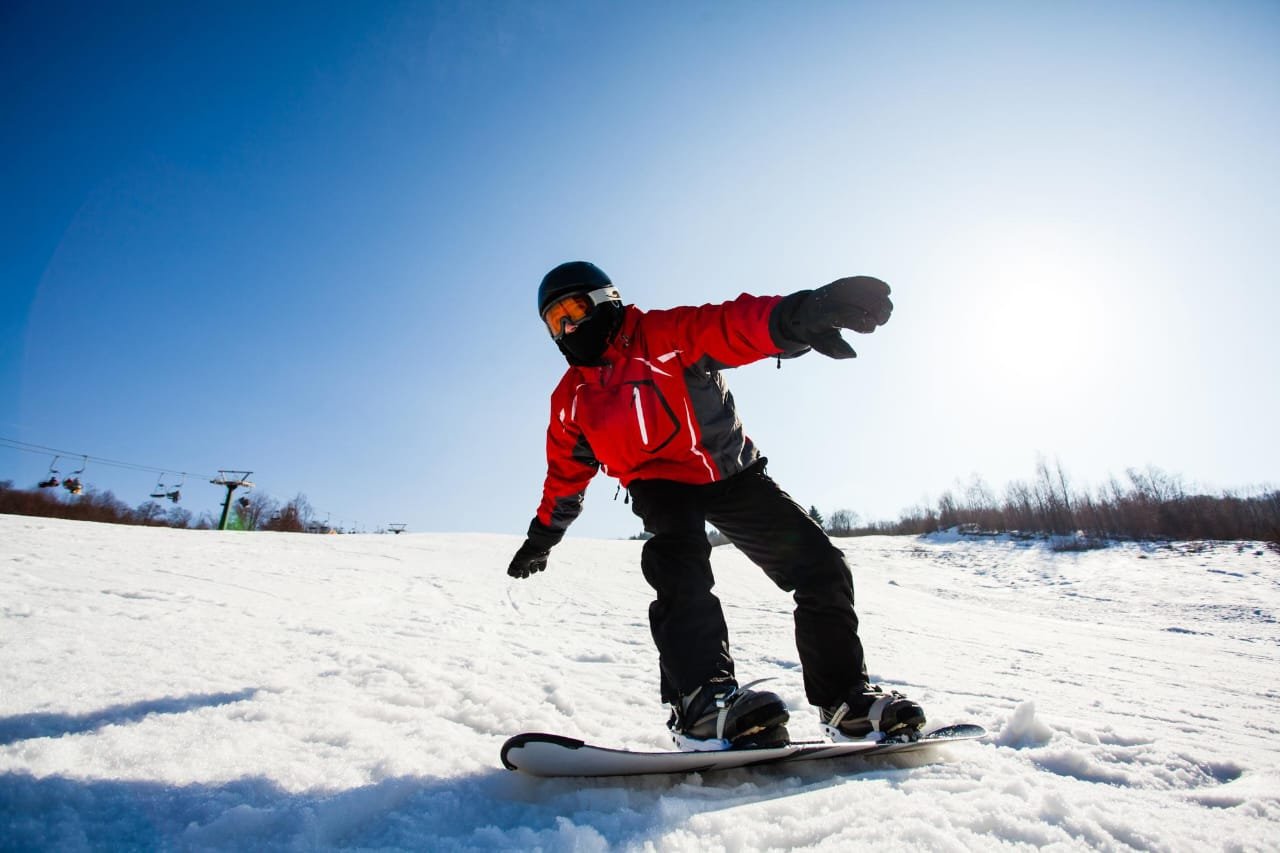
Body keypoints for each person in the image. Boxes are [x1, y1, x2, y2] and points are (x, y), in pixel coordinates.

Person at [507, 261, 925, 750]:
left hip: (730, 473)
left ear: (606, 301)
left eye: (575, 311)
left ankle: (844, 701)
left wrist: (799, 316)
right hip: (658, 484)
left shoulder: (663, 334)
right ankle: (701, 703)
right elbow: (565, 476)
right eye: (555, 322)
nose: (568, 329)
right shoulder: (571, 398)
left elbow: (732, 325)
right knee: (679, 569)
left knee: (821, 568)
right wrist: (542, 538)